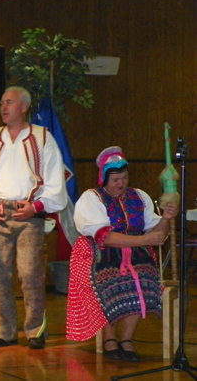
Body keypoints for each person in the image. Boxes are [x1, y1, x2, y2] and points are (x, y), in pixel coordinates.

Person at [0, 86, 67, 349]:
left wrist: (37, 206)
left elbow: (56, 181)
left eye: (9, 102)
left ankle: (35, 331)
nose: (3, 107)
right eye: (1, 103)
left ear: (24, 107)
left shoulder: (42, 137)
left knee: (30, 273)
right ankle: (6, 332)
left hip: (28, 213)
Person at [66, 146, 178, 362]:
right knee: (110, 281)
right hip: (97, 255)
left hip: (136, 255)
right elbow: (104, 237)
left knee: (145, 280)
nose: (121, 183)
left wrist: (165, 218)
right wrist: (143, 240)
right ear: (104, 179)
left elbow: (157, 233)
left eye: (124, 178)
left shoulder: (139, 196)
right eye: (116, 179)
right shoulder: (92, 198)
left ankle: (126, 339)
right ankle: (109, 337)